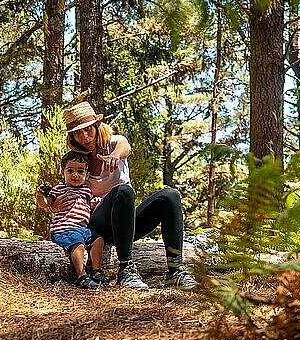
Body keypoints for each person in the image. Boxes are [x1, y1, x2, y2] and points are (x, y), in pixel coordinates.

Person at [48, 101, 197, 291]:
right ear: (72, 137)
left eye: (87, 129)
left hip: (124, 223)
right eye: (77, 132)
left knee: (170, 195)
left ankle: (175, 272)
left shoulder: (114, 143)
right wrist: (54, 204)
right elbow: (64, 189)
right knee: (123, 190)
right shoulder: (78, 161)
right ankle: (126, 270)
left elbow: (125, 147)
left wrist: (116, 156)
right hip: (96, 227)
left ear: (96, 126)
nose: (84, 136)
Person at [36, 151, 108, 289]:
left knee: (98, 240)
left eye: (80, 171)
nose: (75, 175)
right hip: (64, 228)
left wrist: (97, 202)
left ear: (86, 175)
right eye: (70, 170)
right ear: (63, 173)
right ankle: (82, 276)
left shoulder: (87, 190)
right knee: (78, 244)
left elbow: (89, 205)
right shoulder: (59, 189)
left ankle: (96, 271)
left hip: (83, 228)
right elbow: (45, 203)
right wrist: (40, 195)